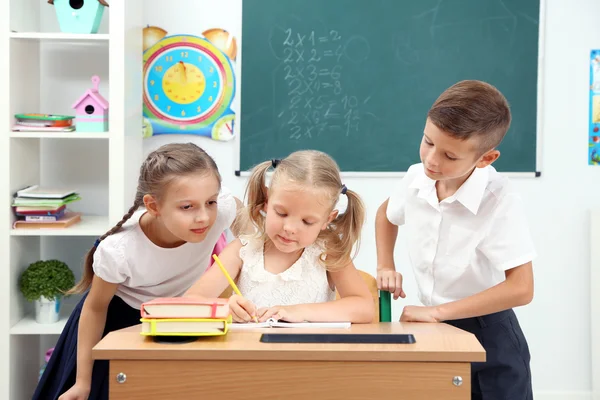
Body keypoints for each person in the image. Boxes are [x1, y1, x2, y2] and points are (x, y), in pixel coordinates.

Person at [33, 142, 240, 400]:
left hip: (172, 319)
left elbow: (251, 235)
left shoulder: (221, 211)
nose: (204, 217)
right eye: (187, 207)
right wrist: (83, 381)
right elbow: (96, 308)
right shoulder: (119, 250)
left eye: (210, 201)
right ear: (153, 206)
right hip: (115, 323)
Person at [375, 80, 535, 399]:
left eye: (449, 155)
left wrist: (437, 313)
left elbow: (522, 288)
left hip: (489, 335)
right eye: (427, 142)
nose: (432, 160)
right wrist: (384, 265)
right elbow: (386, 214)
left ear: (486, 158)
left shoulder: (499, 200)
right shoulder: (417, 177)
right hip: (433, 328)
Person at [186, 150, 374, 324]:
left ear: (327, 219)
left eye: (307, 221)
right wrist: (225, 309)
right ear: (267, 201)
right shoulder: (241, 251)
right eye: (281, 213)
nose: (290, 228)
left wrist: (298, 312)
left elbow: (364, 308)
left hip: (312, 358)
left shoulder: (328, 253)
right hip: (251, 355)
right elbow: (190, 303)